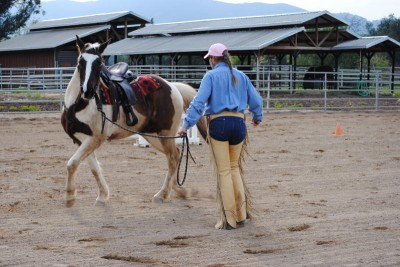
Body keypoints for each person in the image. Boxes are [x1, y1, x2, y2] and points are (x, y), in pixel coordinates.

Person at [177, 43, 263, 230]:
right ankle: (241, 215)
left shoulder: (211, 76)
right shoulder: (241, 76)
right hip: (239, 125)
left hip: (219, 125)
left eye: (209, 58)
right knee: (234, 169)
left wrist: (186, 125)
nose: (209, 61)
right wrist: (257, 117)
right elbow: (256, 101)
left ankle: (228, 220)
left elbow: (198, 103)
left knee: (224, 171)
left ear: (214, 59)